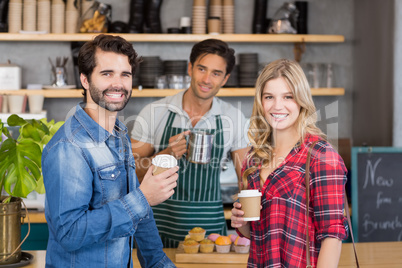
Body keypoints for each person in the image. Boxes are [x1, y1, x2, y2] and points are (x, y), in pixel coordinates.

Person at [42, 34, 178, 268]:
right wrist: (143, 198)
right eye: (107, 74)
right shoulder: (69, 147)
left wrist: (159, 264)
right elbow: (69, 233)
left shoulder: (119, 136)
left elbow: (141, 215)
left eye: (125, 74)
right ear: (85, 80)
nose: (118, 83)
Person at [131, 38, 249, 247]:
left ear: (225, 78)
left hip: (211, 235)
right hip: (158, 228)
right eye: (201, 69)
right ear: (190, 68)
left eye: (216, 73)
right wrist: (165, 154)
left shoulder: (234, 118)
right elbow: (130, 173)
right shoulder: (154, 112)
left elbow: (246, 179)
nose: (206, 79)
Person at [231, 59, 348, 267]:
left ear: (301, 100)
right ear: (261, 101)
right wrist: (241, 223)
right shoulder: (254, 157)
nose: (277, 106)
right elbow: (259, 233)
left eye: (288, 97)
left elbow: (332, 237)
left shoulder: (321, 156)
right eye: (269, 97)